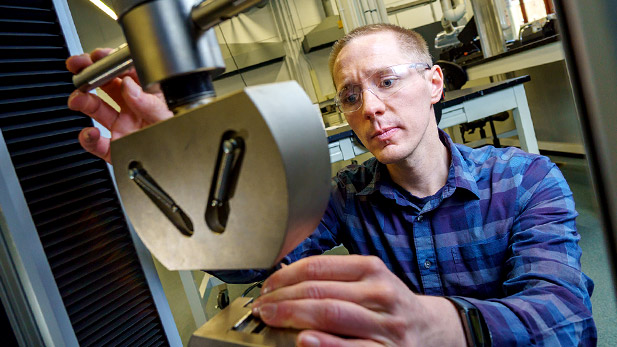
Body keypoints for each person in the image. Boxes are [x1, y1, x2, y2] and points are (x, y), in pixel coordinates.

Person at [67, 23, 596, 346]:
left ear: (434, 83)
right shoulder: (348, 195)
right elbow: (251, 260)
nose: (370, 108)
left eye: (387, 81)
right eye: (349, 96)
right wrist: (175, 175)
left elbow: (566, 319)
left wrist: (443, 328)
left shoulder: (528, 181)